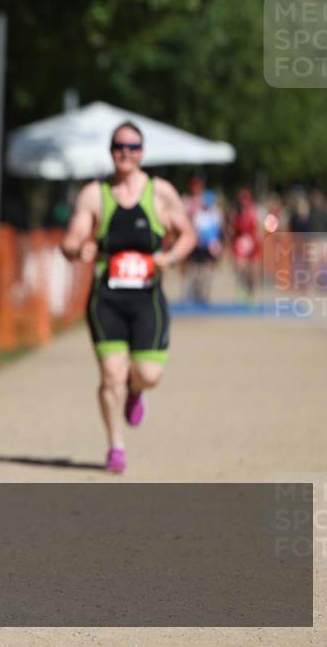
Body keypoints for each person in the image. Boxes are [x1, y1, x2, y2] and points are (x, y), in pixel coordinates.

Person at [61, 121, 196, 473]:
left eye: (133, 147)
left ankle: (137, 391)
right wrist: (79, 251)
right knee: (110, 375)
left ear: (142, 152)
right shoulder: (94, 194)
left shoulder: (161, 192)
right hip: (107, 298)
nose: (126, 152)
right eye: (120, 146)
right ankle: (115, 446)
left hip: (147, 297)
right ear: (111, 150)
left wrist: (171, 257)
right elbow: (71, 239)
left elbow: (187, 234)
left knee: (148, 373)